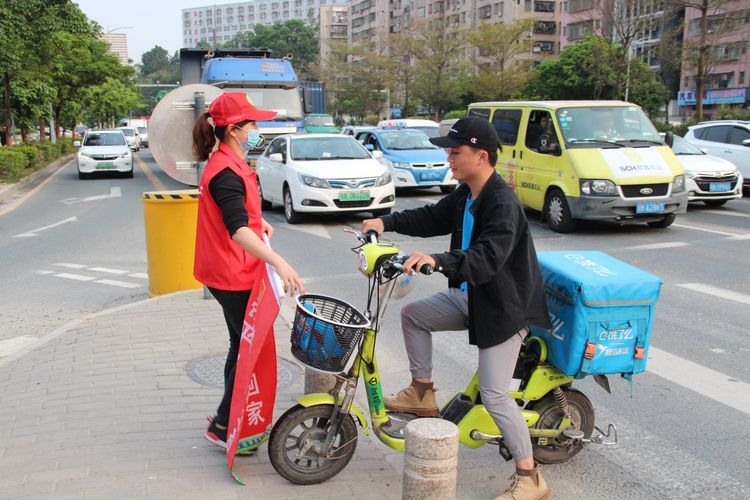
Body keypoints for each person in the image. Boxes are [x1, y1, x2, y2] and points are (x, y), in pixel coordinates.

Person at [361, 116, 552, 500]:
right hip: (474, 297)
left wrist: (436, 260)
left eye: (455, 151)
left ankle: (530, 477)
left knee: (495, 394)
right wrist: (384, 221)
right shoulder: (467, 193)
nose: (449, 157)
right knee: (413, 315)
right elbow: (432, 216)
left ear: (481, 156)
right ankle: (422, 391)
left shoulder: (502, 203)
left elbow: (485, 259)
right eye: (448, 150)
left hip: (503, 307)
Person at [192, 92, 305, 449]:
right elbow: (236, 229)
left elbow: (245, 219)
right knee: (247, 350)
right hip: (233, 274)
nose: (258, 130)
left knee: (239, 347)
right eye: (253, 124)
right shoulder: (225, 171)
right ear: (235, 130)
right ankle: (226, 427)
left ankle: (225, 419)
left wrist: (261, 227)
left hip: (230, 270)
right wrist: (280, 262)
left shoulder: (232, 162)